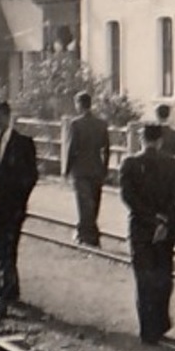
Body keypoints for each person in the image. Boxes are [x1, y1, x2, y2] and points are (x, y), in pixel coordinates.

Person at [119, 122, 175, 344]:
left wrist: (151, 219)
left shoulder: (129, 163)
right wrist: (164, 220)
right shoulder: (172, 164)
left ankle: (148, 329)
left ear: (141, 139)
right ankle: (161, 322)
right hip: (164, 229)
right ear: (160, 141)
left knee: (144, 277)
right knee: (163, 275)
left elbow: (128, 198)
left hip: (140, 227)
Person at [0, 99, 39, 319]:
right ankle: (10, 291)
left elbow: (32, 175)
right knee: (2, 250)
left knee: (8, 249)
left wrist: (20, 197)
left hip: (14, 207)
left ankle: (2, 296)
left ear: (6, 116)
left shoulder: (24, 143)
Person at [64, 91, 111, 248]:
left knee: (84, 203)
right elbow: (106, 148)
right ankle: (91, 234)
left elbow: (71, 148)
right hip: (97, 167)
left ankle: (86, 236)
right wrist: (105, 168)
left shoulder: (75, 124)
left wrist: (66, 169)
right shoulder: (101, 123)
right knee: (95, 202)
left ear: (79, 104)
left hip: (80, 169)